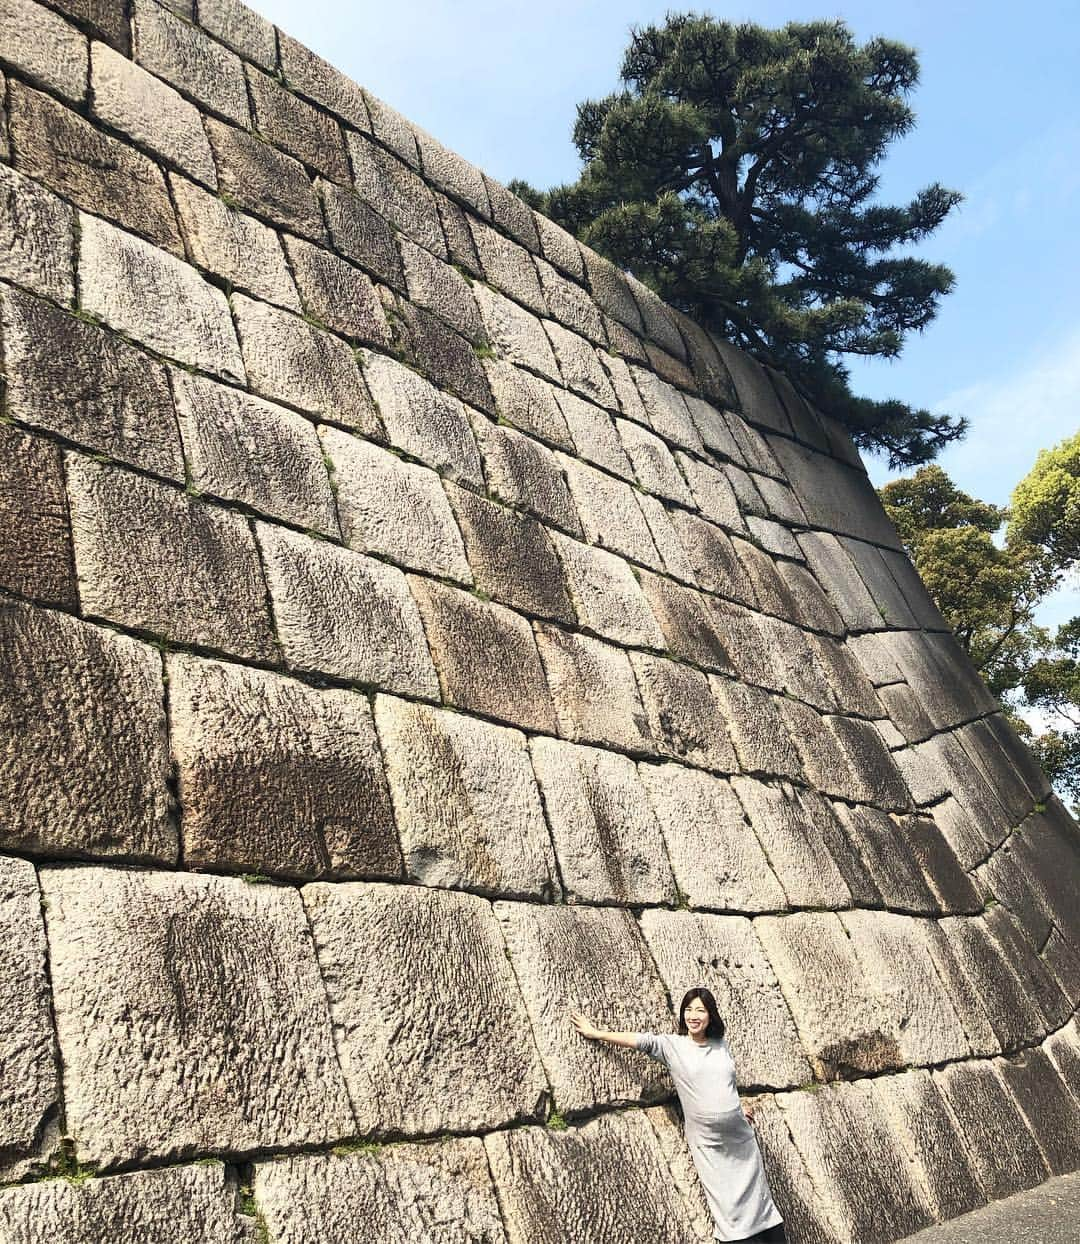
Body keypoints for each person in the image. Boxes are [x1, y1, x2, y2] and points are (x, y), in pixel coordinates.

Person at [571, 987, 786, 1243]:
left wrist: (738, 1108)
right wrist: (597, 1033)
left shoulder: (720, 1044)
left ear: (710, 1015)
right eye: (688, 1009)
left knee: (760, 1201)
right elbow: (640, 1040)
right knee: (729, 1206)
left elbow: (723, 1082)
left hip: (740, 1138)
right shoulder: (673, 1046)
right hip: (710, 1145)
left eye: (700, 1010)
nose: (693, 1015)